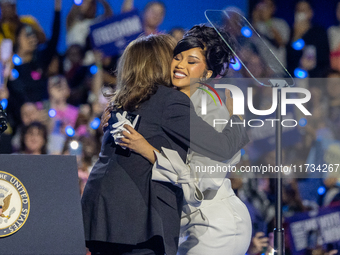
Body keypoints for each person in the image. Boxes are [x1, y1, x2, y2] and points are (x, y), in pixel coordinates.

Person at [82, 34, 249, 255]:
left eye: (190, 61)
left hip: (211, 222)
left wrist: (151, 153)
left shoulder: (207, 107)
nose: (179, 65)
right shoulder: (162, 99)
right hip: (145, 222)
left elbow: (202, 180)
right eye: (176, 57)